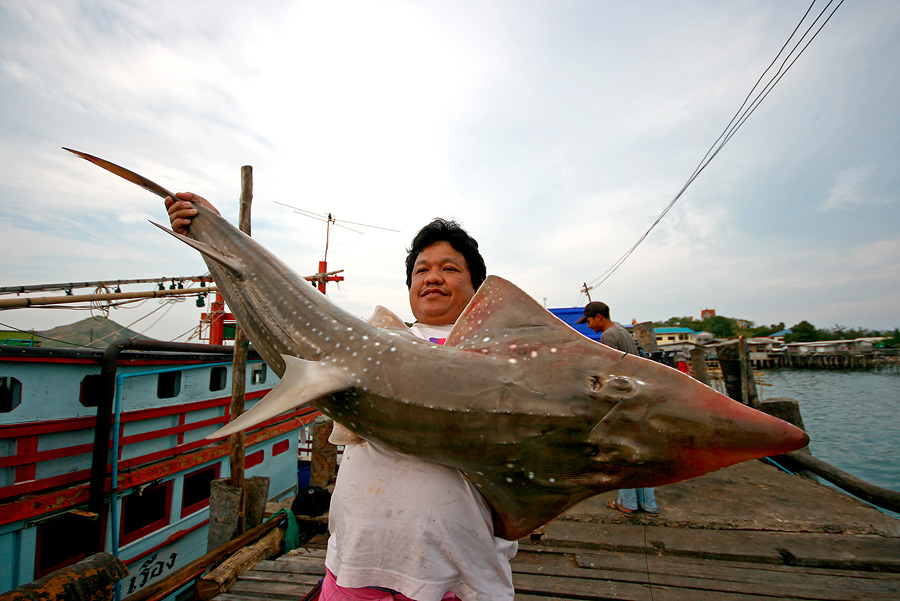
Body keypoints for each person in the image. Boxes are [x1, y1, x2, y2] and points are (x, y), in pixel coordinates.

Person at [166, 194, 517, 601]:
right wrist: (213, 228)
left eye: (449, 268)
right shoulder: (374, 341)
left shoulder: (499, 359)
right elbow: (283, 313)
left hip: (457, 574)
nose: (432, 277)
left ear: (477, 287)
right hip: (357, 562)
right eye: (422, 270)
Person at [575, 301, 659, 517]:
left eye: (590, 320)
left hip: (622, 402)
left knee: (620, 452)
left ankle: (628, 503)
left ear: (599, 317)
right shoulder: (622, 330)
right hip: (638, 398)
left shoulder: (608, 337)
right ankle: (648, 504)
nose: (589, 326)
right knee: (638, 452)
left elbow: (609, 374)